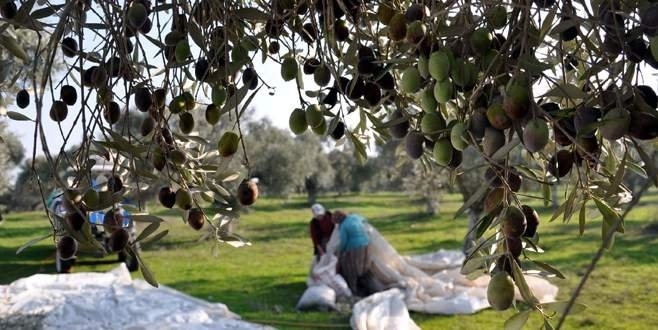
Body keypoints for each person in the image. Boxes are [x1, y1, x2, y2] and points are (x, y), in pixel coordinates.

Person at [333, 210, 384, 297]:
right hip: (366, 244)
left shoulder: (344, 226)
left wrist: (340, 252)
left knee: (352, 270)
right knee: (365, 269)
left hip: (355, 248)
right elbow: (364, 219)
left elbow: (344, 241)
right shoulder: (355, 217)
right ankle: (376, 289)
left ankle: (354, 291)